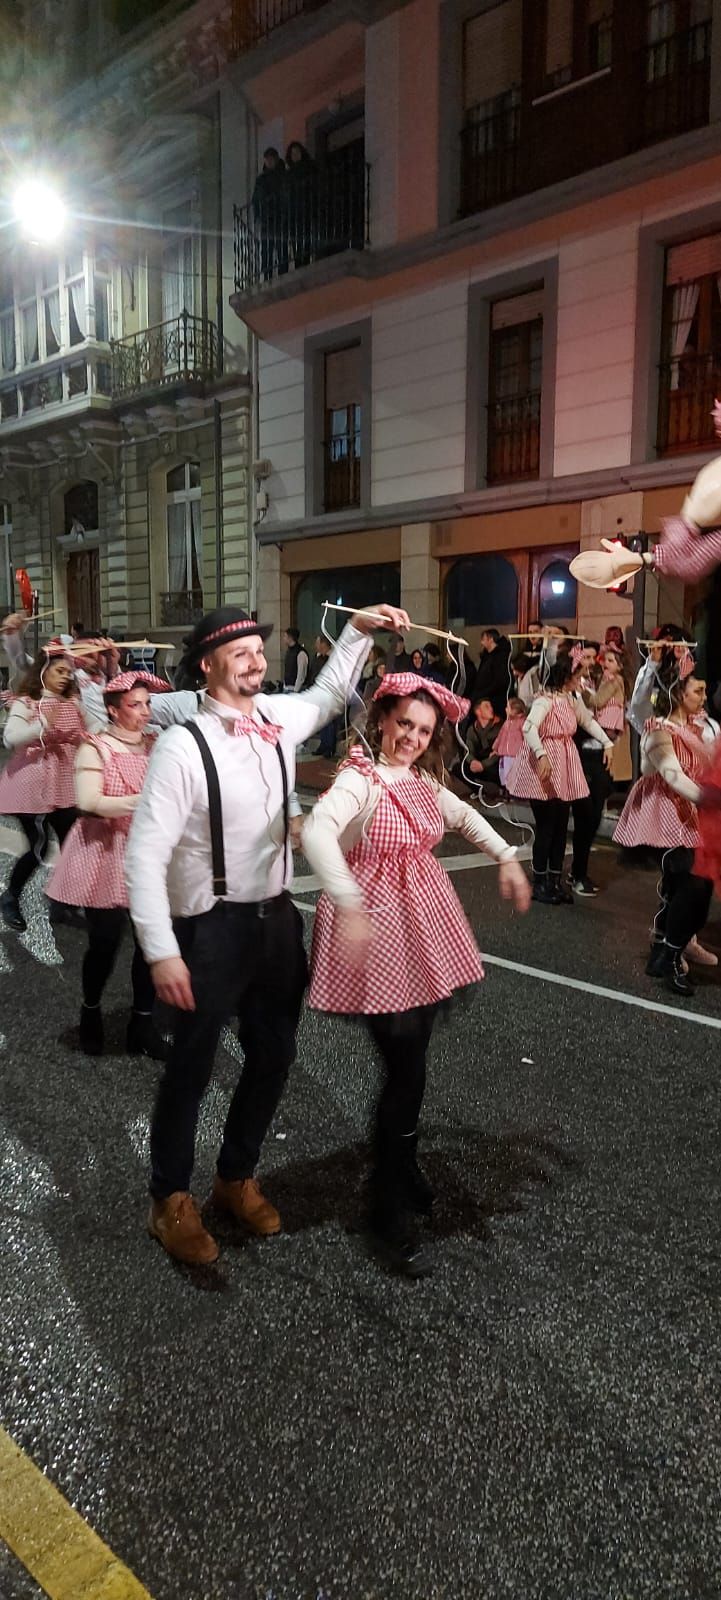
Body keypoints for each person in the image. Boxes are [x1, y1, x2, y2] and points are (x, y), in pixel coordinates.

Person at [125, 600, 410, 1267]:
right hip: (209, 927)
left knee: (275, 1054)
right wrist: (162, 948)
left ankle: (234, 1176)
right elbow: (143, 855)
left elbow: (332, 691)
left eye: (259, 647)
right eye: (240, 650)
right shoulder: (180, 745)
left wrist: (357, 631)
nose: (255, 658)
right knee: (191, 1068)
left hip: (276, 919)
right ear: (208, 665)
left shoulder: (278, 720)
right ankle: (168, 1199)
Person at [301, 671, 530, 1277]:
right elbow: (320, 834)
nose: (413, 737)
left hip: (425, 930)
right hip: (376, 933)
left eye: (424, 730)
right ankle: (386, 1205)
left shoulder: (424, 779)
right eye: (404, 723)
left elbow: (462, 816)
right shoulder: (359, 778)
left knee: (413, 1065)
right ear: (381, 720)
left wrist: (507, 858)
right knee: (404, 1069)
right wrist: (347, 902)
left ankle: (402, 1169)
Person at [46, 672, 170, 1058]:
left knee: (152, 943)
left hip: (147, 852)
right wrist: (145, 798)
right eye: (136, 705)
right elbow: (89, 802)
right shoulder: (94, 746)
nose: (145, 712)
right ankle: (91, 1010)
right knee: (105, 942)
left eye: (147, 703)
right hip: (105, 852)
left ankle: (142, 1023)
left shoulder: (157, 745)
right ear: (114, 710)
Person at [613, 667, 714, 994]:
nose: (704, 697)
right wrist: (710, 798)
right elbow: (672, 775)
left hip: (690, 810)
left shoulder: (697, 727)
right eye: (697, 691)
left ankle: (673, 945)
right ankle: (668, 953)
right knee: (691, 881)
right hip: (664, 814)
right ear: (677, 693)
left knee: (693, 884)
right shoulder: (658, 730)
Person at [506, 652, 613, 904]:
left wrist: (607, 742)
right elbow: (529, 727)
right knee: (547, 827)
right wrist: (542, 754)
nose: (582, 679)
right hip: (547, 763)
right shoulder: (546, 700)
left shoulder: (570, 699)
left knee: (561, 824)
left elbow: (587, 721)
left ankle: (554, 880)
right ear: (566, 676)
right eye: (578, 675)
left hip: (565, 762)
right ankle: (540, 881)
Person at [0, 647, 87, 932]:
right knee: (37, 848)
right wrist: (42, 725)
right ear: (43, 671)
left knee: (72, 845)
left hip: (63, 784)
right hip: (31, 785)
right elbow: (10, 739)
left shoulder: (72, 703)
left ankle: (63, 903)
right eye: (59, 671)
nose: (65, 677)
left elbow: (87, 733)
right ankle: (10, 897)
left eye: (68, 673)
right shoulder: (27, 702)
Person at [252, 148, 288, 281]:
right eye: (267, 159)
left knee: (281, 247)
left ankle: (282, 273)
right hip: (266, 219)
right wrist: (257, 217)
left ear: (276, 159)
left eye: (271, 159)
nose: (269, 161)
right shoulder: (260, 180)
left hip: (279, 218)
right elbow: (255, 200)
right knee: (266, 249)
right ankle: (267, 275)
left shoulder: (283, 176)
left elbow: (285, 196)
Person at [285, 140, 317, 268]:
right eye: (293, 153)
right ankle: (298, 260)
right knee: (294, 236)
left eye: (297, 152)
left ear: (302, 153)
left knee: (306, 234)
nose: (295, 155)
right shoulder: (289, 174)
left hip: (306, 207)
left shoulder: (310, 168)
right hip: (293, 210)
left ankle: (305, 259)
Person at [462, 697, 502, 791]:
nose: (491, 709)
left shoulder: (500, 726)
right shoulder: (472, 729)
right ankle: (480, 790)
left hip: (494, 764)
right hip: (479, 764)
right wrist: (472, 761)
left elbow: (501, 751)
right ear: (478, 711)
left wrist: (483, 765)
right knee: (460, 768)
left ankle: (498, 789)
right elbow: (467, 750)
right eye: (487, 706)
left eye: (491, 706)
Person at [472, 628, 511, 717]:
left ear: (491, 639)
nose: (481, 643)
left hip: (494, 701)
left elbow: (500, 681)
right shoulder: (486, 656)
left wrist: (482, 693)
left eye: (483, 639)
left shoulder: (500, 657)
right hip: (483, 697)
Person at [493, 696, 525, 788]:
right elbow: (500, 736)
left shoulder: (522, 723)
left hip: (516, 755)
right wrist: (495, 748)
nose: (505, 709)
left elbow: (526, 738)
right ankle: (507, 792)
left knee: (514, 775)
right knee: (505, 774)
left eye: (508, 707)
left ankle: (515, 793)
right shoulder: (507, 723)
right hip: (505, 754)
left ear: (514, 710)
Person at [282, 627, 309, 693]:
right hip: (287, 687)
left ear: (290, 638)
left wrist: (296, 690)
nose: (283, 638)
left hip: (295, 689)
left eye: (285, 636)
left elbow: (301, 673)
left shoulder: (300, 653)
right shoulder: (289, 651)